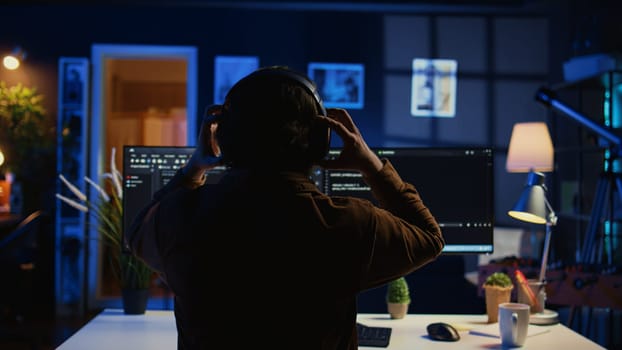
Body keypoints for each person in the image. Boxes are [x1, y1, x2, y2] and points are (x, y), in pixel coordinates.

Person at [126, 66, 445, 350]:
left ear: (223, 137)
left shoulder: (179, 218)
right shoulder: (350, 224)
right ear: (321, 141)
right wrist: (371, 165)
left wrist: (192, 170)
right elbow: (429, 237)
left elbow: (137, 233)